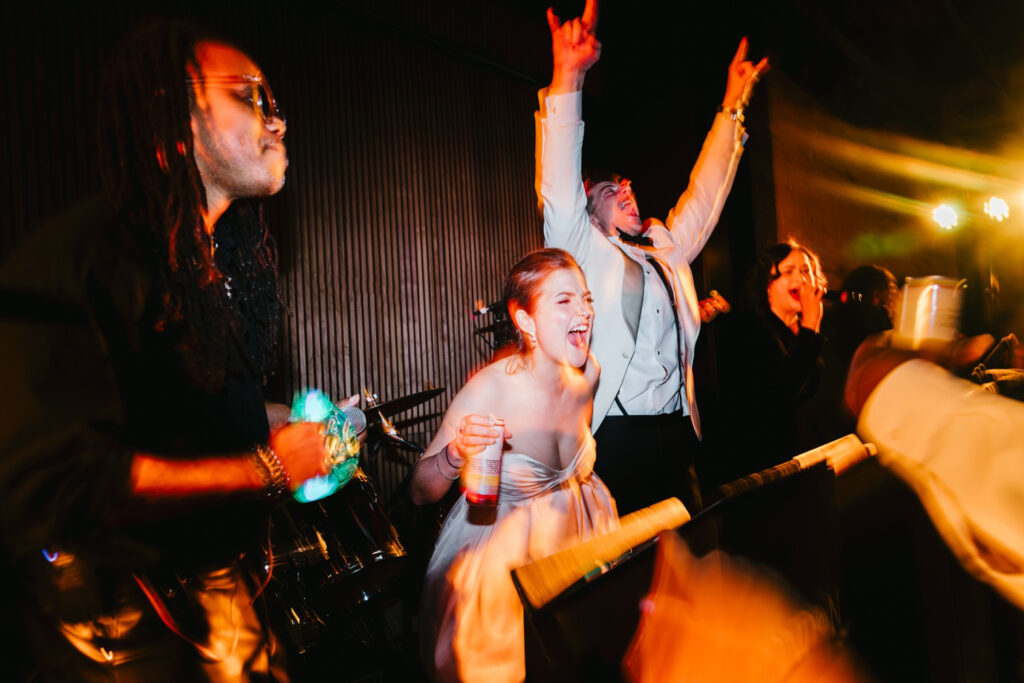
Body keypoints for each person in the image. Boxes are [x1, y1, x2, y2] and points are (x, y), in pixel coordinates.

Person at [0, 22, 343, 680]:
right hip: (128, 632)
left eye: (274, 100)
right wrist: (268, 467)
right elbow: (69, 481)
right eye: (250, 97)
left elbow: (171, 409)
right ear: (173, 122)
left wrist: (280, 422)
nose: (279, 119)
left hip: (222, 606)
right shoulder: (88, 259)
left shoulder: (219, 265)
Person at [537, 0, 768, 516]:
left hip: (679, 433)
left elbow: (705, 198)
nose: (626, 189)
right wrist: (567, 76)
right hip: (615, 439)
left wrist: (733, 105)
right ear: (588, 206)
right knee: (625, 580)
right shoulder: (582, 249)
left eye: (629, 184)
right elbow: (556, 183)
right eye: (609, 188)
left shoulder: (663, 248)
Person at [411, 248, 618, 683]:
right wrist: (454, 456)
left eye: (586, 299)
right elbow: (419, 490)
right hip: (505, 565)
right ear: (525, 321)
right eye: (564, 301)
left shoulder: (591, 375)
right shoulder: (490, 388)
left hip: (584, 537)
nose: (583, 311)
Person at [712, 241, 826, 483]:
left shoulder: (797, 332)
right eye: (788, 272)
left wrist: (811, 326)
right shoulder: (749, 330)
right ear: (766, 284)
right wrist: (809, 327)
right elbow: (781, 391)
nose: (802, 279)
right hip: (761, 470)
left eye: (806, 271)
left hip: (800, 467)